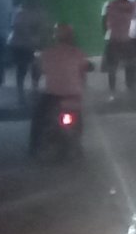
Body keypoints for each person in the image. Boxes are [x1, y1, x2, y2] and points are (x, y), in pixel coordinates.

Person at [32, 21, 92, 151]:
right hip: (73, 95)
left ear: (55, 36)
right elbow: (83, 72)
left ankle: (34, 147)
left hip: (52, 96)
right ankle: (78, 144)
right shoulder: (78, 53)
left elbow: (39, 71)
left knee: (38, 118)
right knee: (79, 117)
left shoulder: (47, 54)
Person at [7, 0, 50, 92]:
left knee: (35, 65)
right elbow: (18, 28)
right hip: (22, 45)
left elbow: (43, 29)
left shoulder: (38, 13)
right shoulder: (20, 12)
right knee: (23, 67)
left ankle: (31, 87)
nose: (34, 1)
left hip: (30, 44)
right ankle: (22, 89)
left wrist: (39, 39)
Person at [100, 0, 136, 96]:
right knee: (114, 67)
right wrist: (107, 32)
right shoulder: (111, 5)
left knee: (129, 66)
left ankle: (127, 88)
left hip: (124, 39)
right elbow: (104, 21)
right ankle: (114, 90)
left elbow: (104, 21)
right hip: (117, 39)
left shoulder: (130, 5)